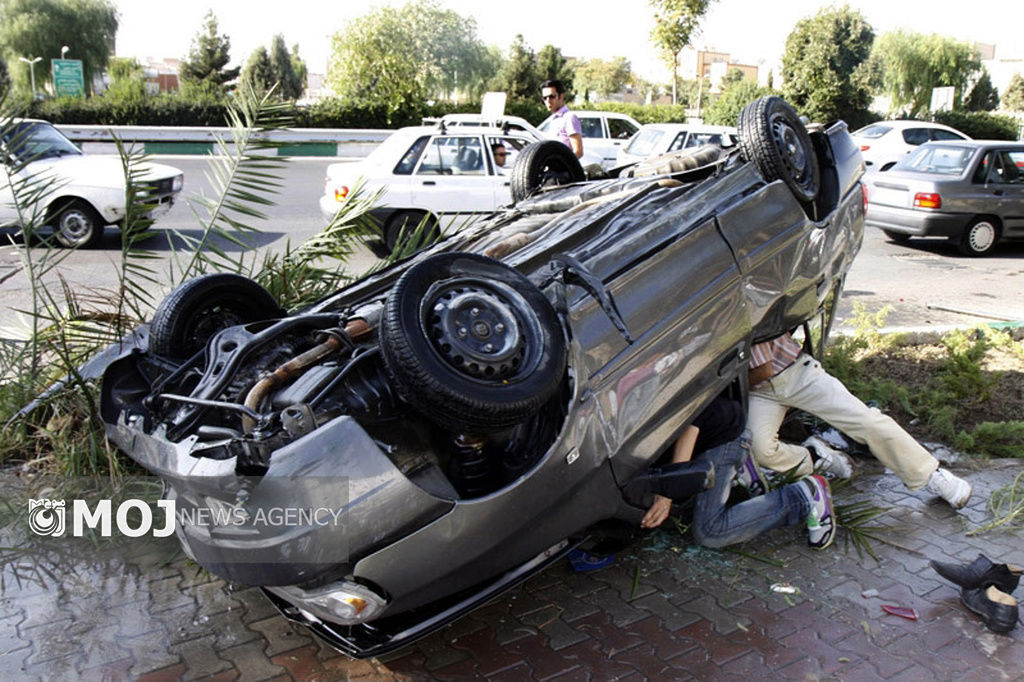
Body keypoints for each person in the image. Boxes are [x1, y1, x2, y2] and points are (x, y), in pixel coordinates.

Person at [746, 332, 972, 509]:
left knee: (866, 421)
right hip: (759, 391)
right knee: (760, 449)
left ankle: (932, 475)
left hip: (796, 373)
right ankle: (817, 458)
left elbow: (763, 369)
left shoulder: (739, 303)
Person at [641, 396, 836, 551]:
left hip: (721, 436)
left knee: (710, 532)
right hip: (715, 434)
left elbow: (691, 421)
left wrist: (669, 490)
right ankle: (740, 466)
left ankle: (803, 496)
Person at [540, 79, 583, 158]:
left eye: (552, 96)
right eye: (545, 98)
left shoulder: (569, 118)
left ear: (561, 96)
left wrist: (563, 166)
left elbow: (578, 151)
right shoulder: (553, 120)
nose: (548, 101)